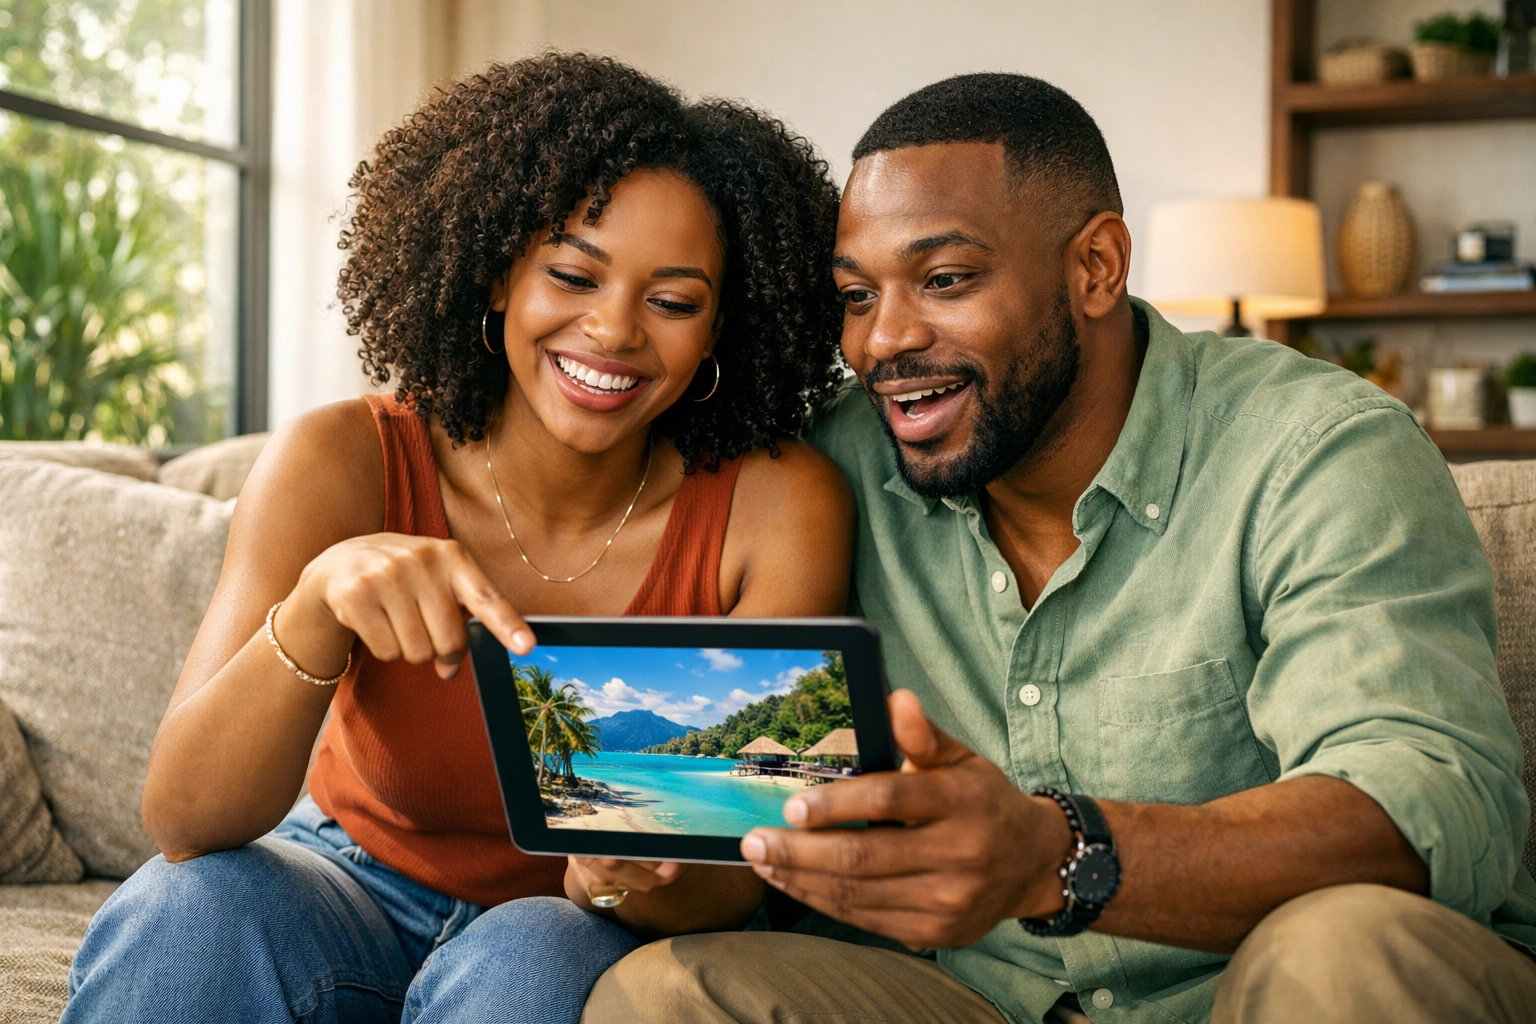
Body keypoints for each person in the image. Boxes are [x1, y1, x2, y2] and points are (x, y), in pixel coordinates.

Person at [577, 74, 1536, 1024]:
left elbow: (1430, 806)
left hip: (1253, 989)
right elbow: (739, 851)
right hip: (972, 998)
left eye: (945, 280)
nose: (884, 340)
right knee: (663, 993)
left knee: (1347, 949)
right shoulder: (832, 472)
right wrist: (629, 866)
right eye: (857, 296)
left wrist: (1053, 855)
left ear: (1097, 266)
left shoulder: (1317, 450)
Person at [63, 53, 845, 1023]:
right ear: (495, 277)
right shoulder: (342, 458)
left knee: (533, 960)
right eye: (572, 273)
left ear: (724, 329)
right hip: (344, 880)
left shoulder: (780, 505)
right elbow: (182, 818)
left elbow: (741, 876)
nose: (612, 330)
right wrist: (317, 606)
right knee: (189, 908)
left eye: (673, 300)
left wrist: (622, 874)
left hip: (579, 920)